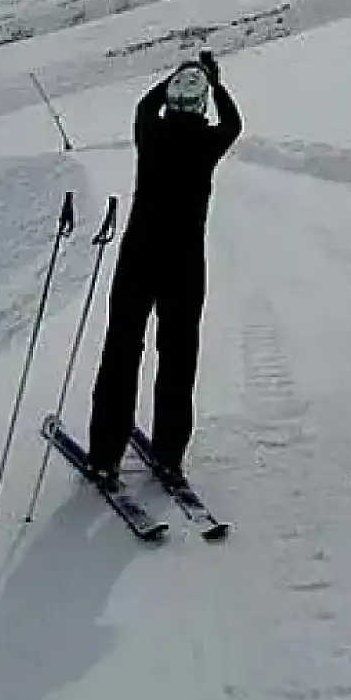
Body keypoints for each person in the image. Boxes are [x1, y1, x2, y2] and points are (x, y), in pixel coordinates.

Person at [87, 51, 241, 494]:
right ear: (201, 106)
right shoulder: (211, 141)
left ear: (170, 101)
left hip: (139, 255)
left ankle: (104, 458)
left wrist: (173, 76)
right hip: (185, 262)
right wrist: (215, 82)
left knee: (121, 350)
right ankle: (169, 456)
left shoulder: (149, 131)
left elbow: (142, 106)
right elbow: (234, 124)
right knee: (178, 356)